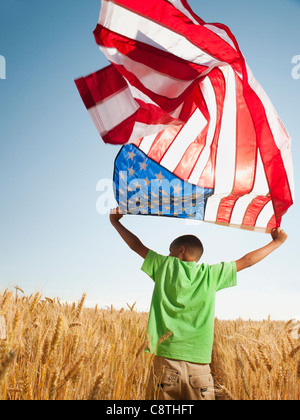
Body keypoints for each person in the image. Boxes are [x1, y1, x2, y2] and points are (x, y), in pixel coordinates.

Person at [109, 207, 287, 400]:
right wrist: (277, 242)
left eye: (169, 252)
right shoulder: (211, 274)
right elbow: (247, 261)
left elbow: (136, 245)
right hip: (200, 368)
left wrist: (116, 222)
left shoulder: (164, 267)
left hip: (166, 362)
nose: (167, 255)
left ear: (180, 251)